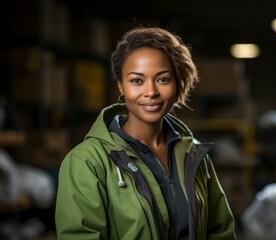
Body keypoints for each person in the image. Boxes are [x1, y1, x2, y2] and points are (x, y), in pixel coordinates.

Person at [55, 27, 236, 240]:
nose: (151, 92)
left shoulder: (194, 155)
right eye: (137, 81)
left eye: (163, 79)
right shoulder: (87, 162)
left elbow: (220, 231)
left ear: (177, 84)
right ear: (121, 86)